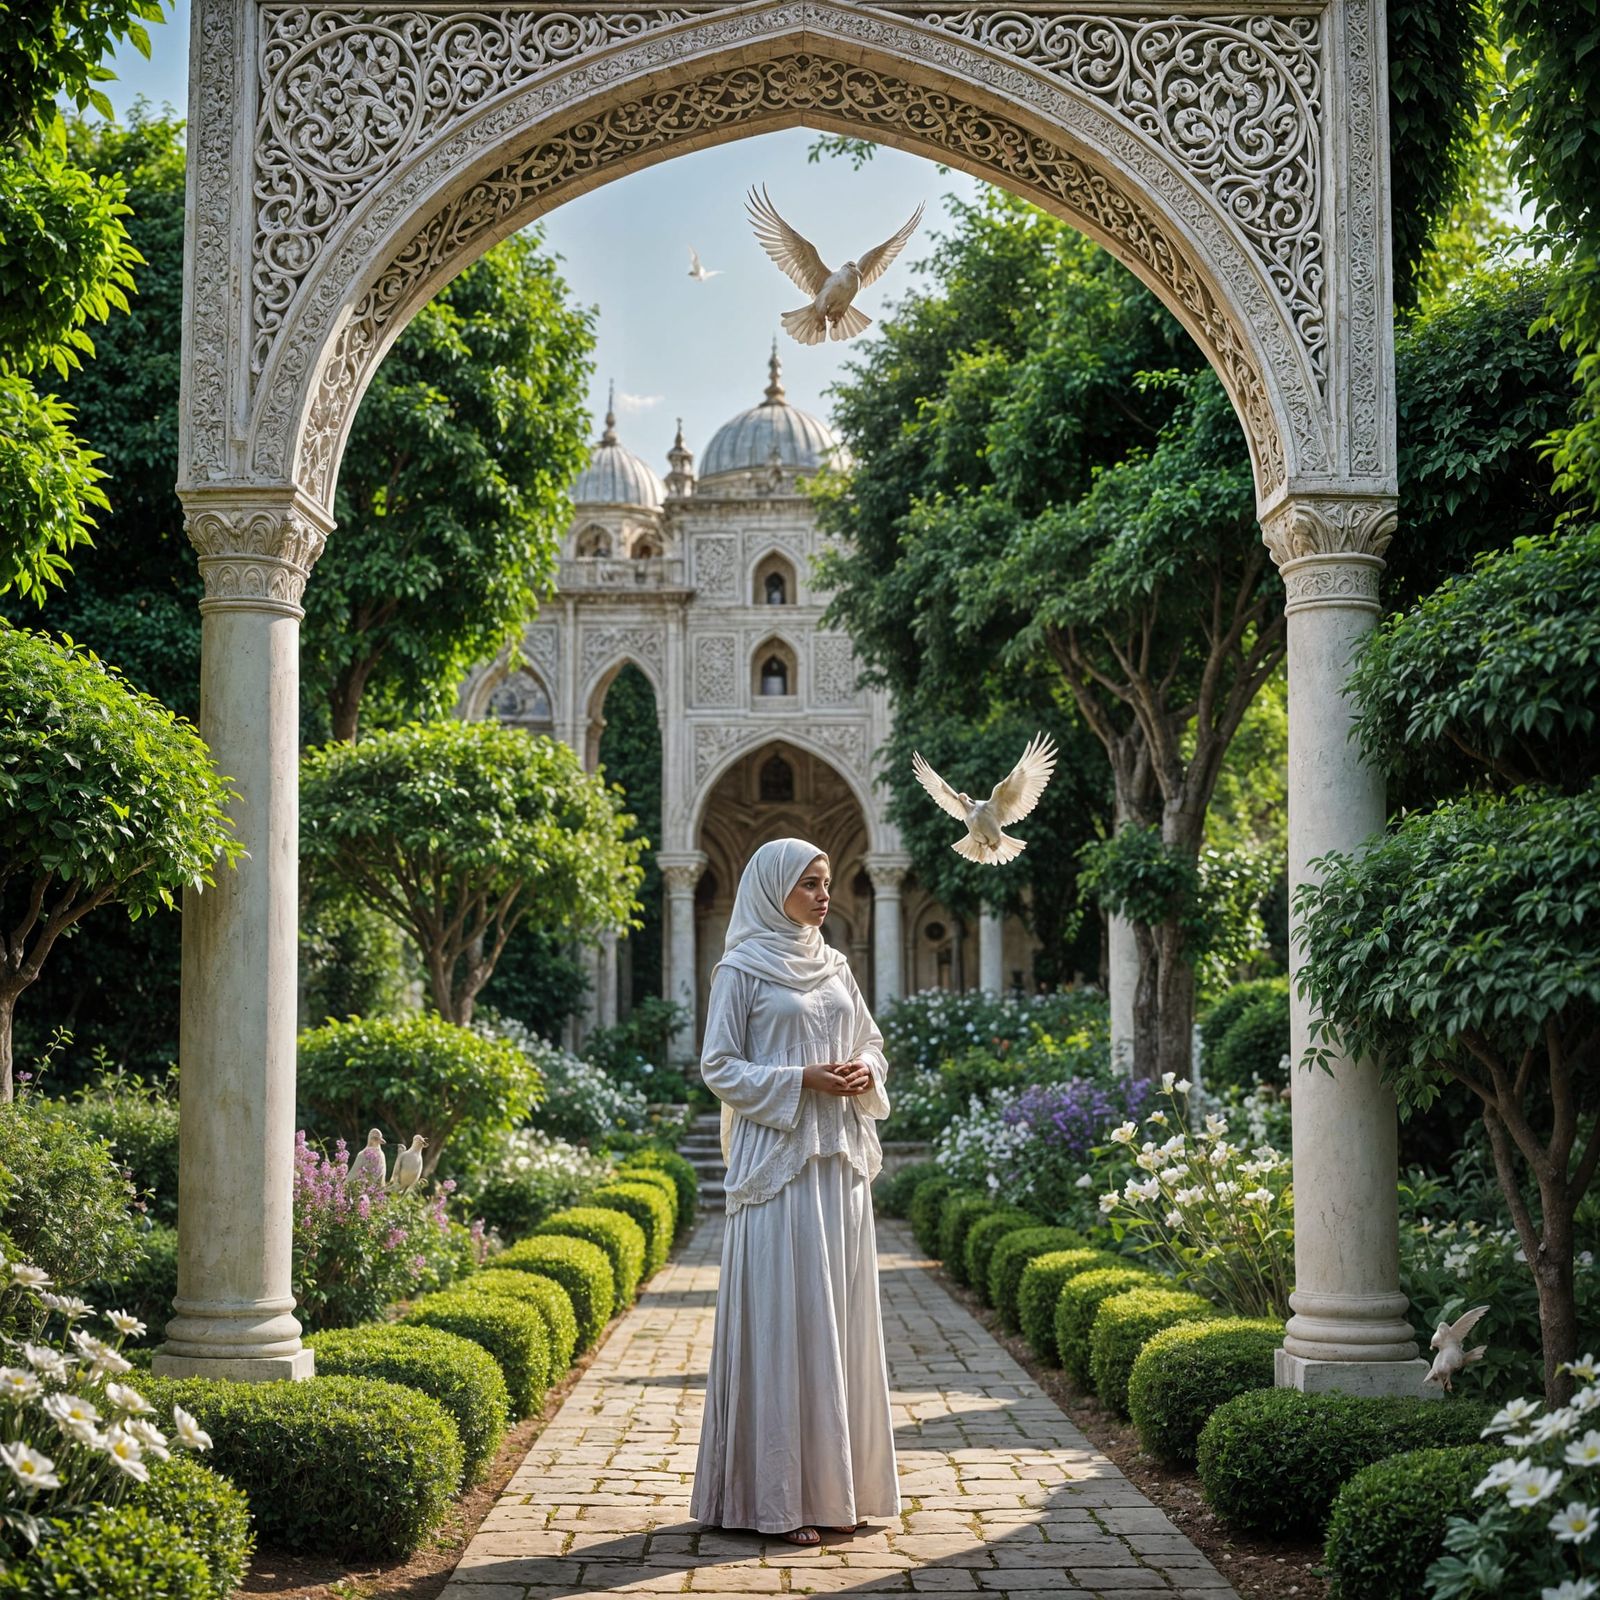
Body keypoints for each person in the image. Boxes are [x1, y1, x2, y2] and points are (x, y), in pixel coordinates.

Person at [689, 837, 900, 1546]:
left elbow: (870, 1039)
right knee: (787, 1315)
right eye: (809, 883)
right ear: (772, 889)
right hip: (777, 1162)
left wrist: (865, 1070)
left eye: (827, 882)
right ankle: (779, 1500)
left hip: (836, 1160)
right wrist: (801, 1079)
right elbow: (718, 1065)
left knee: (835, 1317)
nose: (822, 894)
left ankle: (841, 1490)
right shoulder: (742, 968)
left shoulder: (836, 964)